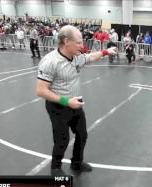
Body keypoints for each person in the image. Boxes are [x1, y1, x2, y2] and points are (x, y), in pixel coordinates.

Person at [36, 25, 117, 173]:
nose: (82, 45)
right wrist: (67, 102)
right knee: (62, 140)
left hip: (76, 102)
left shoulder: (77, 57)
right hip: (58, 107)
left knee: (82, 134)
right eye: (79, 42)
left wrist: (106, 51)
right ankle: (55, 168)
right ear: (67, 41)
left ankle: (77, 163)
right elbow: (41, 91)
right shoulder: (50, 62)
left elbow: (91, 57)